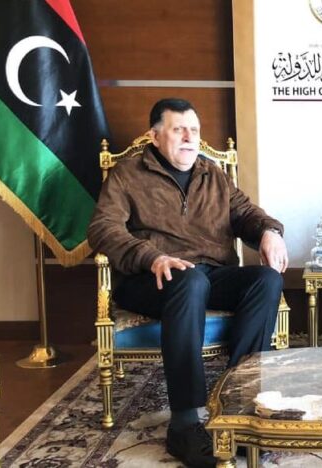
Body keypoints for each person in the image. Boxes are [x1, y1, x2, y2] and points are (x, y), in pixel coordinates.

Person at [88, 98, 288, 468]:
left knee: (265, 279)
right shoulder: (128, 173)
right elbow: (102, 228)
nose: (189, 137)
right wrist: (152, 256)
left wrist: (270, 232)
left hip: (209, 273)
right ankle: (184, 422)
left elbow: (246, 214)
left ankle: (239, 406)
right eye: (178, 129)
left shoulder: (213, 174)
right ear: (154, 136)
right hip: (151, 278)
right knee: (189, 281)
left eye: (194, 130)